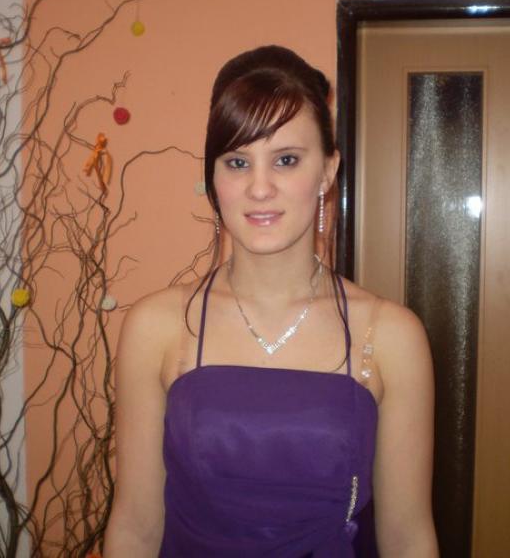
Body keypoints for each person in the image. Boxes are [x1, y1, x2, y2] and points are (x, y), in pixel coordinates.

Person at [104, 45, 437, 557]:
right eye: (237, 162)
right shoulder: (157, 327)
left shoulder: (391, 335)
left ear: (327, 171)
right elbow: (134, 527)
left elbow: (408, 538)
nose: (259, 188)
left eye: (286, 160)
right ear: (214, 179)